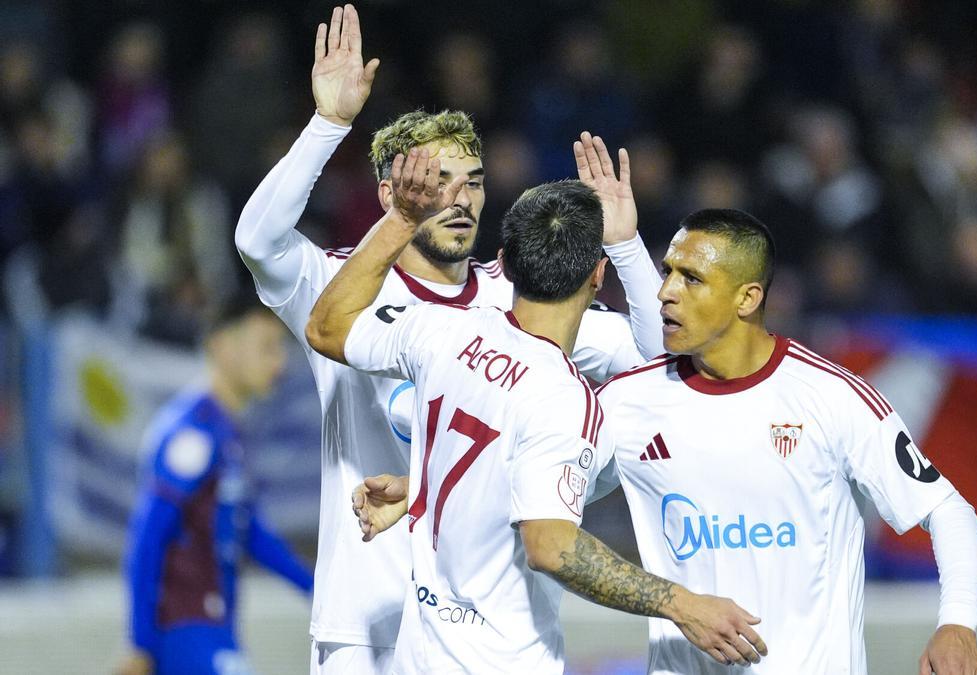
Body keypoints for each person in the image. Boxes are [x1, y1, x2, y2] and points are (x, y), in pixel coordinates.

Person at [233, 5, 664, 672]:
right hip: (366, 618)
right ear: (390, 194)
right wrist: (328, 126)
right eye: (435, 184)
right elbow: (255, 240)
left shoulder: (520, 297)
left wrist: (627, 248)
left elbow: (654, 356)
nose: (459, 200)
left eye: (472, 182)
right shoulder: (343, 283)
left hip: (482, 629)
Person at [304, 149, 767, 673]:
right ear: (597, 276)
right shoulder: (566, 401)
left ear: (505, 260)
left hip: (421, 655)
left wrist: (400, 220)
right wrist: (683, 605)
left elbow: (326, 327)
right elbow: (550, 545)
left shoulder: (443, 331)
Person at [595, 209, 977, 674]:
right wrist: (672, 603)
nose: (665, 293)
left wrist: (958, 623)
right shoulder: (626, 402)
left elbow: (949, 511)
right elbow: (547, 525)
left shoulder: (830, 396)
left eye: (691, 278)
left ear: (747, 298)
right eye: (667, 273)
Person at [119, 296, 314, 675]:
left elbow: (251, 532)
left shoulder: (227, 432)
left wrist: (318, 591)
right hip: (184, 632)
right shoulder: (191, 434)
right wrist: (140, 642)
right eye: (267, 348)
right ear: (223, 347)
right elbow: (146, 537)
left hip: (216, 630)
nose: (280, 362)